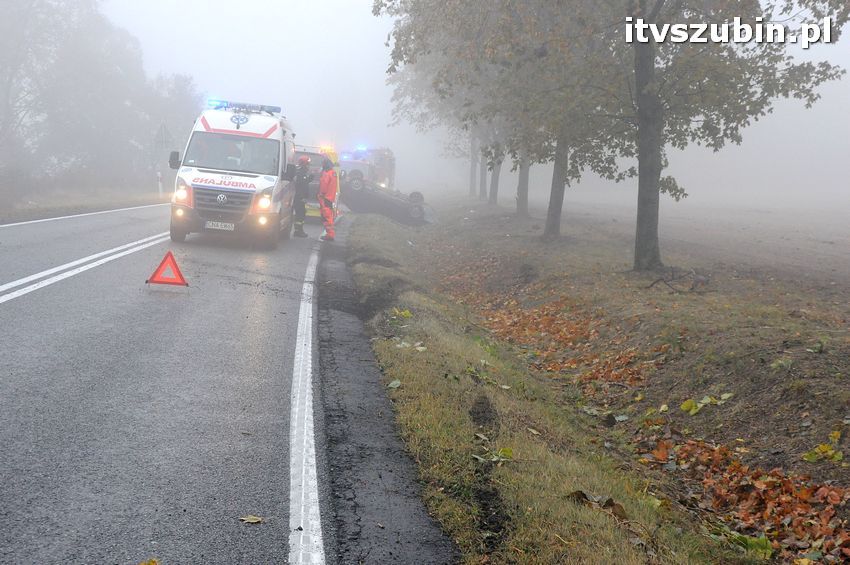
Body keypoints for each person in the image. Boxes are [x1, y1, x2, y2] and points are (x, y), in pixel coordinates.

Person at [318, 157, 338, 242]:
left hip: (325, 197)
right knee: (329, 216)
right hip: (331, 197)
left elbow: (324, 185)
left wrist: (321, 194)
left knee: (326, 217)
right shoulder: (333, 173)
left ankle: (330, 235)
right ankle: (330, 234)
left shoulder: (326, 174)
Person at [292, 156, 312, 237]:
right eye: (308, 164)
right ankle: (298, 231)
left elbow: (303, 183)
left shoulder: (301, 172)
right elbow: (301, 186)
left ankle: (298, 230)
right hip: (299, 198)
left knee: (301, 213)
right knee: (300, 214)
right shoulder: (301, 173)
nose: (309, 166)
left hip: (299, 197)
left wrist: (309, 179)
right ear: (304, 164)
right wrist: (302, 197)